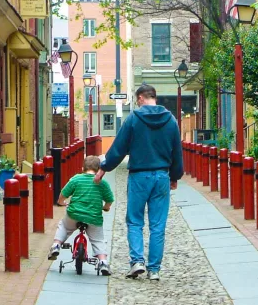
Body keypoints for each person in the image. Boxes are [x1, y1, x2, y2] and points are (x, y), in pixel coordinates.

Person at [96, 84, 183, 281]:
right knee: (158, 224)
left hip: (139, 176)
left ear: (141, 98)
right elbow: (176, 150)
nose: (137, 104)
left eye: (137, 101)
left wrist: (104, 167)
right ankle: (154, 269)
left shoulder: (134, 119)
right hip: (161, 176)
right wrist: (175, 176)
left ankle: (137, 262)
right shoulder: (171, 121)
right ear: (154, 97)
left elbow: (119, 147)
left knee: (135, 220)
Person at [51, 155, 114, 275]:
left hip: (74, 213)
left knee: (64, 226)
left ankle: (56, 245)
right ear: (99, 169)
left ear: (82, 168)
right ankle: (103, 262)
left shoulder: (76, 179)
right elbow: (109, 199)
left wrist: (61, 202)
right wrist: (106, 207)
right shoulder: (102, 183)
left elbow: (63, 194)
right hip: (93, 217)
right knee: (98, 239)